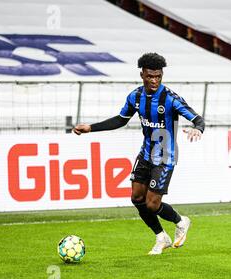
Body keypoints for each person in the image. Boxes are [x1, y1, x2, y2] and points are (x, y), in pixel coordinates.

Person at [73, 52, 205, 255]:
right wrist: (91, 128)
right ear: (142, 74)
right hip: (145, 154)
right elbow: (120, 119)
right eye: (150, 76)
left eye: (158, 76)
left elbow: (197, 118)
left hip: (165, 158)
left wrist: (198, 128)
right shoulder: (135, 97)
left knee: (152, 204)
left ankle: (181, 221)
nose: (154, 80)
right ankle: (161, 237)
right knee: (136, 197)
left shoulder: (169, 98)